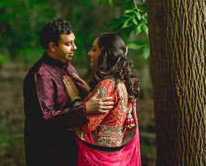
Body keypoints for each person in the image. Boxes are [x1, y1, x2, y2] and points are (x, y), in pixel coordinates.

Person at [24, 19, 114, 166]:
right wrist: (85, 109)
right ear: (52, 46)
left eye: (73, 42)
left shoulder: (68, 67)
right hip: (48, 155)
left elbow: (73, 101)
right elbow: (45, 120)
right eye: (68, 44)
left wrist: (87, 94)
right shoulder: (39, 75)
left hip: (71, 150)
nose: (75, 47)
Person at [63, 33, 141, 165]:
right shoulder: (122, 83)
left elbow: (85, 126)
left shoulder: (107, 86)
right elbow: (110, 114)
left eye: (94, 49)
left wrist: (75, 97)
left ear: (105, 54)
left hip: (101, 158)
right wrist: (90, 93)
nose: (89, 53)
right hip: (116, 156)